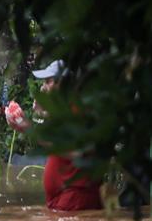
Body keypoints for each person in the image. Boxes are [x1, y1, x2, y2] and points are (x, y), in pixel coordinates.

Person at [29, 60, 104, 212]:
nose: (43, 87)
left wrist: (28, 128)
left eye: (48, 81)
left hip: (75, 198)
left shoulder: (77, 110)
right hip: (66, 200)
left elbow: (76, 152)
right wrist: (44, 113)